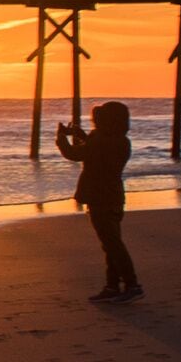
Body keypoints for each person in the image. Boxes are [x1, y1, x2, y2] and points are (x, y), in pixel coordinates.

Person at [54, 102, 142, 302]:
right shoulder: (122, 141)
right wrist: (82, 135)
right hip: (115, 197)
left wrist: (61, 139)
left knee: (112, 245)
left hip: (98, 198)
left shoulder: (100, 140)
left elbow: (74, 154)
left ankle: (131, 284)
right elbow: (96, 150)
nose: (95, 122)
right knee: (112, 244)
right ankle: (112, 286)